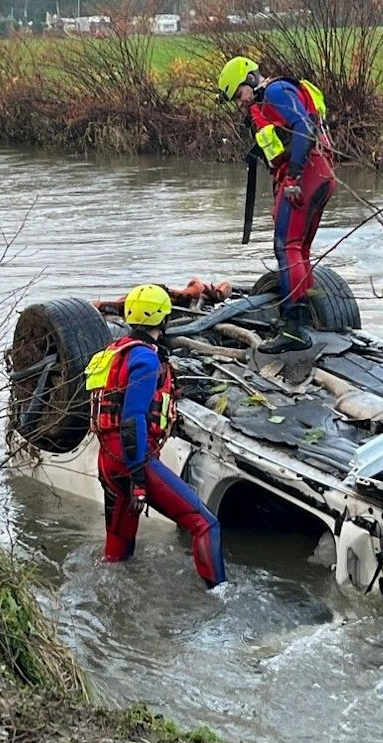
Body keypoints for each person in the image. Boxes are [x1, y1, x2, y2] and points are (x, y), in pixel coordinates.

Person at [85, 284, 225, 587]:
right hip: (132, 460)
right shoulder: (146, 359)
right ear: (163, 319)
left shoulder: (112, 353)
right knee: (205, 525)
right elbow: (133, 417)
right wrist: (137, 477)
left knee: (117, 553)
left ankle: (109, 594)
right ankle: (221, 597)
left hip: (107, 461)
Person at [216, 55, 336, 354]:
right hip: (319, 173)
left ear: (250, 80)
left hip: (306, 173)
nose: (239, 102)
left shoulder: (275, 93)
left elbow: (303, 127)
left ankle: (294, 328)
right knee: (299, 248)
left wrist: (293, 177)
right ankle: (304, 319)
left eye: (239, 94)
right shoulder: (269, 100)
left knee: (286, 247)